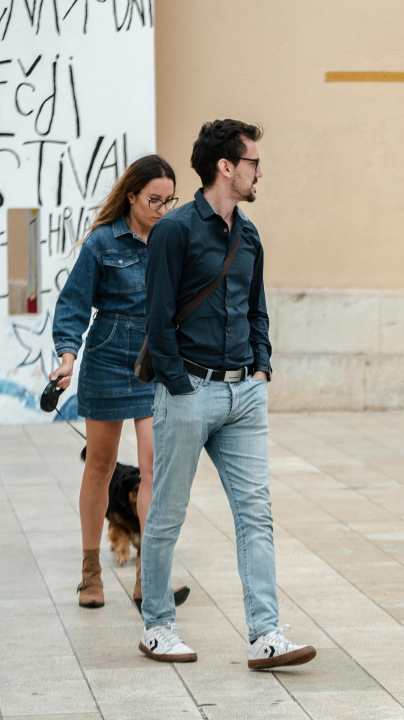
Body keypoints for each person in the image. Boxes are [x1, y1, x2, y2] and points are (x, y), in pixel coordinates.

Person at [138, 120, 315, 669]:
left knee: (255, 515)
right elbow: (158, 316)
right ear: (226, 167)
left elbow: (255, 307)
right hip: (189, 390)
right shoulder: (176, 230)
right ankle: (157, 626)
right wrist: (176, 383)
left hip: (244, 395)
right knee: (168, 512)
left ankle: (265, 633)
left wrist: (261, 365)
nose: (259, 171)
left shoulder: (250, 233)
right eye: (253, 162)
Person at [50, 155, 191, 610]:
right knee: (101, 467)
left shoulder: (175, 237)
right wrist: (67, 359)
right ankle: (91, 573)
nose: (162, 209)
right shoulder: (101, 243)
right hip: (108, 361)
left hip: (156, 364)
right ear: (131, 195)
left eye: (169, 201)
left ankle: (148, 578)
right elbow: (72, 305)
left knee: (154, 468)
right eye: (154, 199)